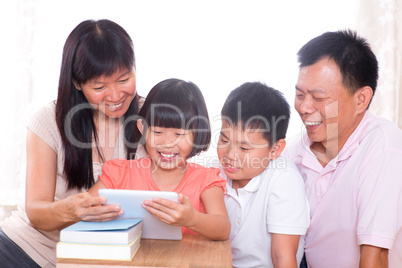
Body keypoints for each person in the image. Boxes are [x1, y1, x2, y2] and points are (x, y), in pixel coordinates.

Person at [0, 19, 142, 268]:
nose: (116, 96)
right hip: (25, 250)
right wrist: (72, 210)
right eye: (99, 86)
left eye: (124, 79)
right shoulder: (48, 121)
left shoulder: (153, 118)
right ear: (77, 83)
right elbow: (36, 212)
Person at [284, 30, 402, 267]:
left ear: (361, 99)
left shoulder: (384, 147)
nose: (304, 107)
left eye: (318, 98)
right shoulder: (295, 149)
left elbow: (376, 257)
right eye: (299, 94)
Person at [88, 78, 231, 240]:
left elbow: (223, 229)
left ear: (197, 133)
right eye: (157, 132)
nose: (168, 143)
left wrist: (192, 219)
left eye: (179, 134)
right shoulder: (119, 174)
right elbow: (81, 209)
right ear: (142, 128)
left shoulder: (205, 180)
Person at [214, 82, 310, 267]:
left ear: (275, 149)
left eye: (244, 148)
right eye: (224, 140)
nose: (230, 155)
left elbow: (283, 257)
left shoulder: (283, 179)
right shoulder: (216, 172)